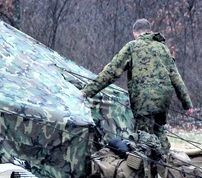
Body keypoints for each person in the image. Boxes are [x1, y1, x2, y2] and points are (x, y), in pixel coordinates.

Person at [82, 18, 193, 152]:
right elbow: (176, 77)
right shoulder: (163, 49)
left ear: (135, 34)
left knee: (144, 140)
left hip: (143, 101)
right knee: (159, 131)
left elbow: (111, 72)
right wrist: (187, 104)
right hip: (163, 101)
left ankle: (147, 169)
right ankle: (167, 162)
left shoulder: (132, 47)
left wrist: (88, 91)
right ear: (150, 32)